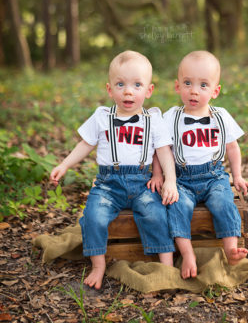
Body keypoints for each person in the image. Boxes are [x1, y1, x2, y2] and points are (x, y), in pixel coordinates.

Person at [49, 50, 179, 289]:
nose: (128, 91)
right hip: (108, 185)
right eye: (120, 84)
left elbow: (164, 152)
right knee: (93, 217)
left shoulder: (153, 120)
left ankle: (167, 265)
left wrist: (169, 179)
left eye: (137, 85)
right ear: (110, 89)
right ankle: (98, 266)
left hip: (142, 183)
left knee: (156, 214)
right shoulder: (101, 117)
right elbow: (85, 144)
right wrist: (64, 164)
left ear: (148, 91)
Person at [159, 50, 248, 278]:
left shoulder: (221, 116)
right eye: (188, 83)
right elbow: (160, 150)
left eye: (203, 85)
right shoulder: (172, 116)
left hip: (214, 176)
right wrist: (159, 176)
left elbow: (232, 148)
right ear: (177, 86)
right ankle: (187, 253)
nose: (194, 90)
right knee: (178, 206)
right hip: (183, 178)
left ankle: (230, 249)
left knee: (223, 202)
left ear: (215, 91)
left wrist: (237, 176)